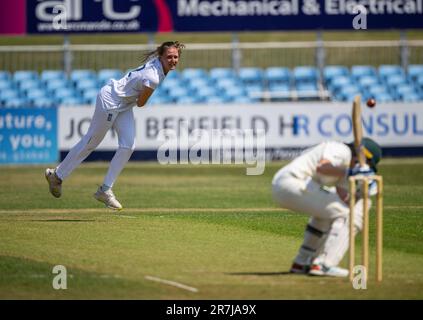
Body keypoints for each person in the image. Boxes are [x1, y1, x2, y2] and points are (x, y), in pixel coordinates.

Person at [45, 41, 185, 210]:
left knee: (128, 145)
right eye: (169, 57)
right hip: (110, 100)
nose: (173, 60)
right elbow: (141, 103)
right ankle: (57, 175)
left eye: (176, 57)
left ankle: (105, 190)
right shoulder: (153, 77)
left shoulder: (159, 67)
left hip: (123, 104)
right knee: (91, 142)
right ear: (161, 57)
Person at [271, 138, 382, 277]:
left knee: (333, 211)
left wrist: (364, 190)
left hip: (292, 187)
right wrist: (351, 172)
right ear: (363, 156)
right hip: (292, 183)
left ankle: (302, 262)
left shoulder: (345, 166)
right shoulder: (341, 149)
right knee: (352, 215)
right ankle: (325, 264)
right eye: (368, 164)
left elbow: (345, 198)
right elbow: (323, 168)